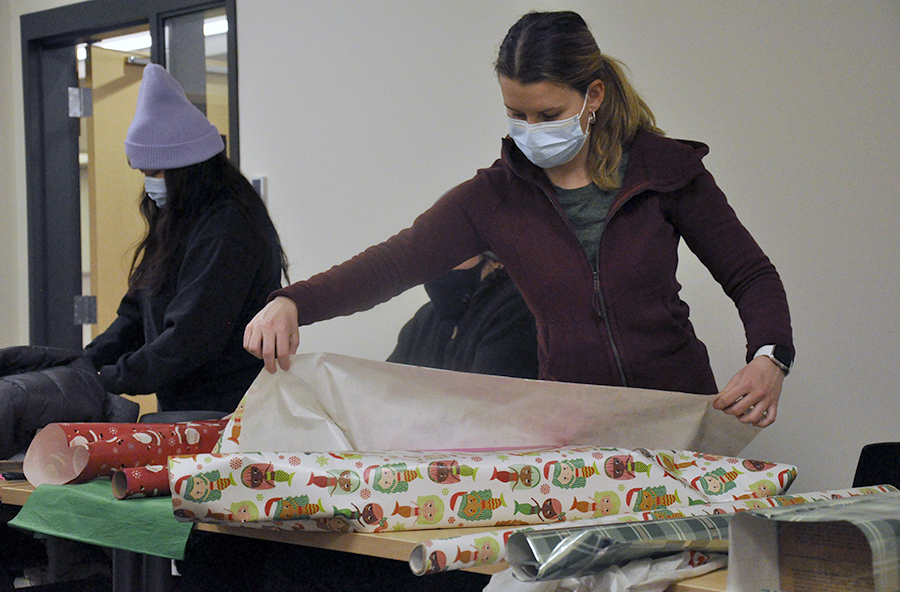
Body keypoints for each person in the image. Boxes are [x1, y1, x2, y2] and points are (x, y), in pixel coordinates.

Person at [244, 10, 793, 428]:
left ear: (592, 95)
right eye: (516, 114)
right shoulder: (494, 197)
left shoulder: (665, 171)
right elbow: (394, 263)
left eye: (548, 114)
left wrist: (769, 358)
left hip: (678, 414)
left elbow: (751, 275)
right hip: (573, 428)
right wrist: (294, 301)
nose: (530, 129)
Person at [84, 64, 287, 414]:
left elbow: (188, 340)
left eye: (155, 173)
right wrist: (83, 365)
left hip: (231, 415)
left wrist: (109, 379)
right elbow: (134, 316)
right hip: (184, 411)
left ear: (187, 169)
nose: (149, 184)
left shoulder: (229, 227)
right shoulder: (178, 219)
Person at [387, 252, 538, 379]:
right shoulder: (425, 318)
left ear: (495, 261)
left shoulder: (515, 308)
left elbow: (487, 398)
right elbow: (386, 390)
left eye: (452, 252)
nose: (439, 264)